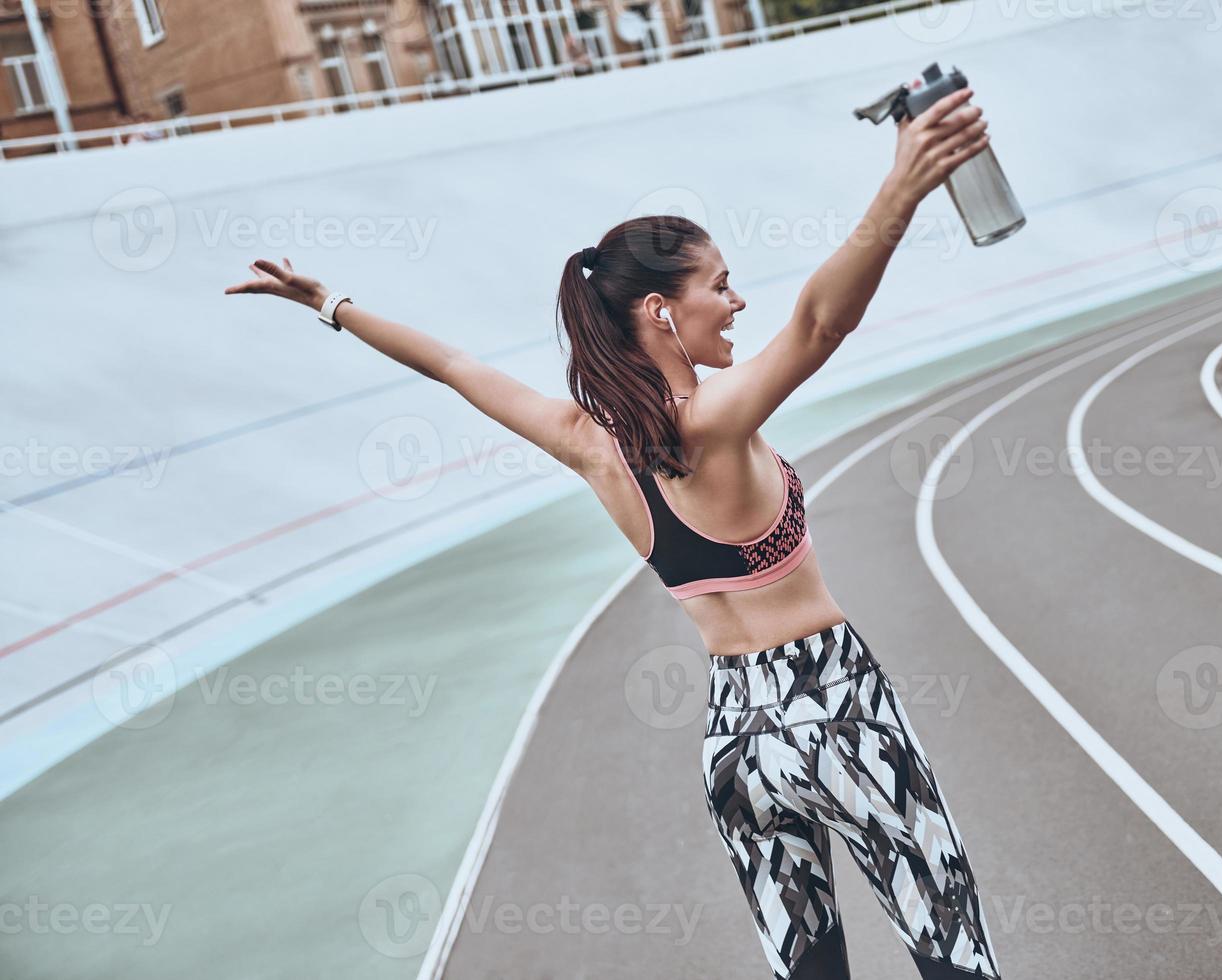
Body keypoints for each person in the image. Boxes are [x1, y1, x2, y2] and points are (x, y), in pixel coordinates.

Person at [224, 85, 998, 980]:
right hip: (838, 711)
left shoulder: (588, 444)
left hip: (735, 744)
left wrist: (330, 305)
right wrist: (899, 190)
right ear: (661, 311)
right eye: (719, 284)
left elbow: (450, 365)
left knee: (809, 971)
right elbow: (821, 324)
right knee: (951, 955)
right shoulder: (707, 430)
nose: (738, 302)